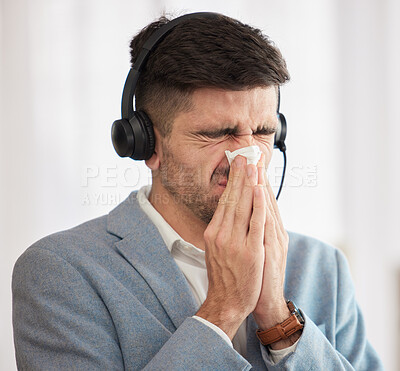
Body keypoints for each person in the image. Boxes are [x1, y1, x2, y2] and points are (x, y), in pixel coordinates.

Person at [12, 12, 383, 370]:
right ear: (146, 144)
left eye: (263, 132)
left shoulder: (324, 267)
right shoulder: (60, 271)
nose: (247, 156)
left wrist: (278, 319)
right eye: (217, 134)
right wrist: (223, 310)